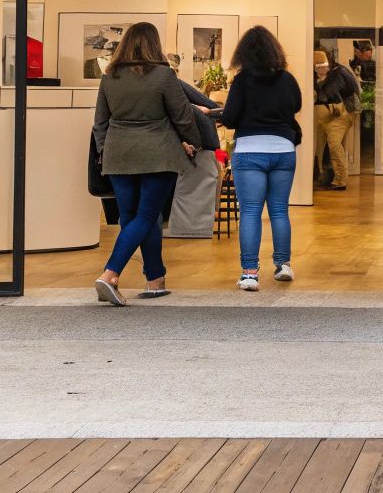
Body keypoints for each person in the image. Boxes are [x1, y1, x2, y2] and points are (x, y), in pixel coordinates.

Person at [91, 22, 203, 306]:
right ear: (154, 44)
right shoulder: (164, 75)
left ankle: (155, 279)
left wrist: (106, 149)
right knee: (146, 216)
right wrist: (192, 142)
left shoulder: (109, 76)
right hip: (158, 153)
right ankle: (110, 275)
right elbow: (182, 116)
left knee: (132, 218)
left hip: (119, 155)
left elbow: (100, 122)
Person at [221, 26, 304, 291]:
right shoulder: (287, 79)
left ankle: (249, 273)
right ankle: (283, 265)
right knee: (279, 210)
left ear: (243, 53)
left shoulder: (242, 80)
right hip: (283, 149)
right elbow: (297, 106)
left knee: (251, 212)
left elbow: (230, 118)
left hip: (250, 150)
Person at [162, 78, 224, 238]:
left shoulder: (166, 81)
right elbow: (208, 104)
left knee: (192, 183)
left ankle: (186, 228)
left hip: (196, 141)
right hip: (205, 140)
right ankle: (194, 226)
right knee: (204, 178)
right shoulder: (170, 80)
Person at [312, 48, 361, 190]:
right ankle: (323, 176)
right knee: (321, 148)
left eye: (321, 64)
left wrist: (319, 83)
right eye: (316, 65)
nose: (318, 68)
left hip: (339, 114)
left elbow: (329, 92)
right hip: (325, 114)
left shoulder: (338, 73)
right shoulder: (331, 72)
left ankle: (340, 179)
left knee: (333, 144)